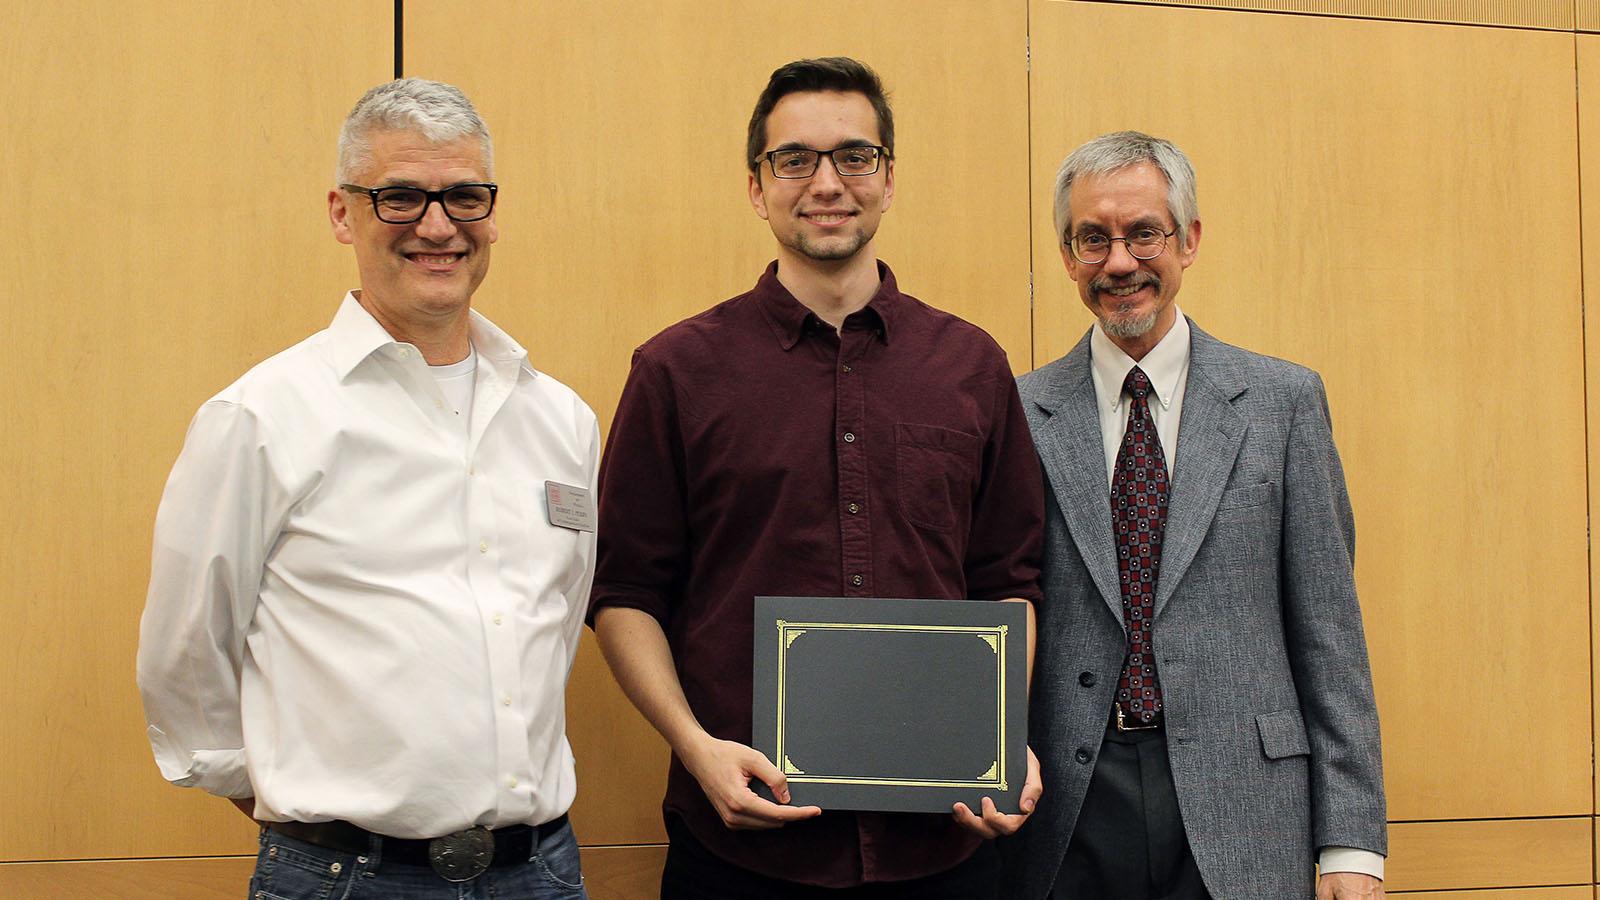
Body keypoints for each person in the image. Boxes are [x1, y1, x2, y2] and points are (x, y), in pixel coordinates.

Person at [588, 57, 1045, 899]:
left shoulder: (972, 367)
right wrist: (696, 749)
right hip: (740, 853)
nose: (826, 182)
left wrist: (995, 737)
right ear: (757, 187)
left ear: (889, 178)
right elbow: (625, 593)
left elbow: (1007, 579)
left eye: (854, 156)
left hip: (943, 849)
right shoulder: (676, 371)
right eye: (794, 159)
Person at [137, 78, 597, 899]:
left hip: (543, 873)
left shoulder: (560, 420)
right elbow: (184, 652)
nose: (437, 225)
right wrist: (296, 802)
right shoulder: (262, 417)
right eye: (400, 197)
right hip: (347, 877)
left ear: (492, 211)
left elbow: (556, 625)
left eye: (463, 195)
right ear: (343, 213)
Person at [1004, 130, 1387, 900]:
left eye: (1144, 233)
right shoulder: (1017, 413)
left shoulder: (1283, 404)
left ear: (1189, 240)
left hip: (1246, 804)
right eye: (1092, 239)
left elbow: (1329, 631)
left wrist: (1351, 843)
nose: (1119, 262)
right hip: (1068, 809)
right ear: (1066, 252)